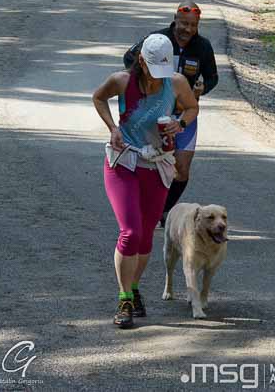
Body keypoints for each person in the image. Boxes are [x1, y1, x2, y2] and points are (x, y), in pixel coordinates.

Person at [94, 34, 199, 328]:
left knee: (145, 235)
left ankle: (134, 287)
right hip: (124, 161)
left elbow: (192, 107)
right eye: (153, 71)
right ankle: (124, 299)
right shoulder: (122, 81)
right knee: (130, 231)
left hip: (157, 165)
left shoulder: (176, 83)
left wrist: (180, 123)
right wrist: (113, 128)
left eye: (162, 71)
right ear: (141, 61)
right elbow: (98, 97)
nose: (157, 78)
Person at [123, 0, 218, 227]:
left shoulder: (203, 47)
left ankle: (163, 210)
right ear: (175, 19)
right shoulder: (157, 39)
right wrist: (142, 83)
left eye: (193, 25)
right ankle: (145, 206)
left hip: (185, 113)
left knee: (181, 169)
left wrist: (202, 88)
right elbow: (129, 58)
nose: (187, 29)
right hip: (155, 113)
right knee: (150, 162)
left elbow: (213, 77)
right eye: (184, 23)